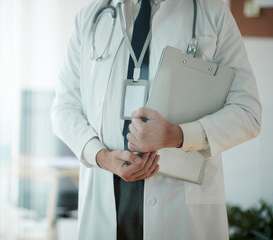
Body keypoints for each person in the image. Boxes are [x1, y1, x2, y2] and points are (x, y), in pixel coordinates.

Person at [51, 0, 261, 239]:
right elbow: (64, 109)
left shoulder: (212, 13)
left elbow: (247, 111)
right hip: (108, 188)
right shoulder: (90, 17)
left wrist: (178, 135)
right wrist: (101, 157)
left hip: (180, 199)